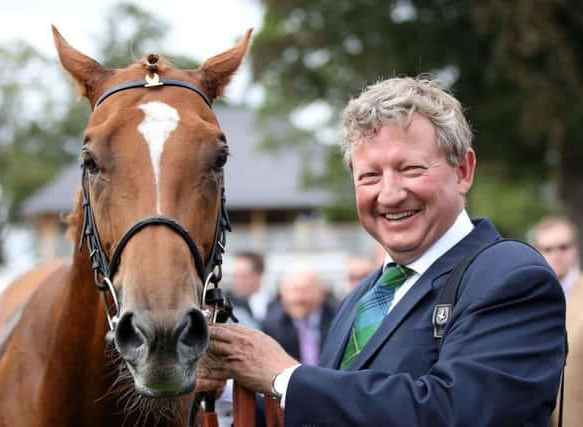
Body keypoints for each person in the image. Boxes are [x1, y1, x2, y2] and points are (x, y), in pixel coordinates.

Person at [202, 77, 566, 426]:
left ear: (463, 171)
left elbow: (460, 414)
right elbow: (334, 415)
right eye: (369, 176)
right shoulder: (364, 295)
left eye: (410, 169)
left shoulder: (512, 277)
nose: (389, 194)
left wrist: (286, 377)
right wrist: (232, 390)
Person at [261, 264, 337, 365]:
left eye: (305, 291)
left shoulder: (337, 319)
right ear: (282, 294)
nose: (298, 298)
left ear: (321, 293)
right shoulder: (271, 326)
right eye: (292, 291)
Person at [531, 215, 581, 297]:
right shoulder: (528, 292)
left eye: (563, 247)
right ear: (536, 252)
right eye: (548, 249)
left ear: (576, 248)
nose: (556, 256)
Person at [226, 251, 270, 328]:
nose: (238, 282)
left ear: (259, 275)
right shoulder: (226, 305)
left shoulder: (276, 307)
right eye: (235, 276)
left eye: (243, 276)